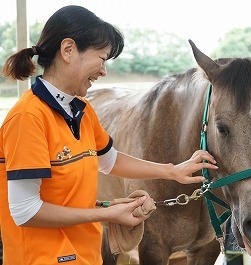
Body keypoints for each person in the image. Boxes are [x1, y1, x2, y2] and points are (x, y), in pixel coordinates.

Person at [0, 5, 218, 265]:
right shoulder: (28, 118)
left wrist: (173, 171)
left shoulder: (81, 109)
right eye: (102, 59)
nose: (104, 71)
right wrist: (106, 213)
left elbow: (109, 160)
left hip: (85, 257)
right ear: (68, 50)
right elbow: (26, 211)